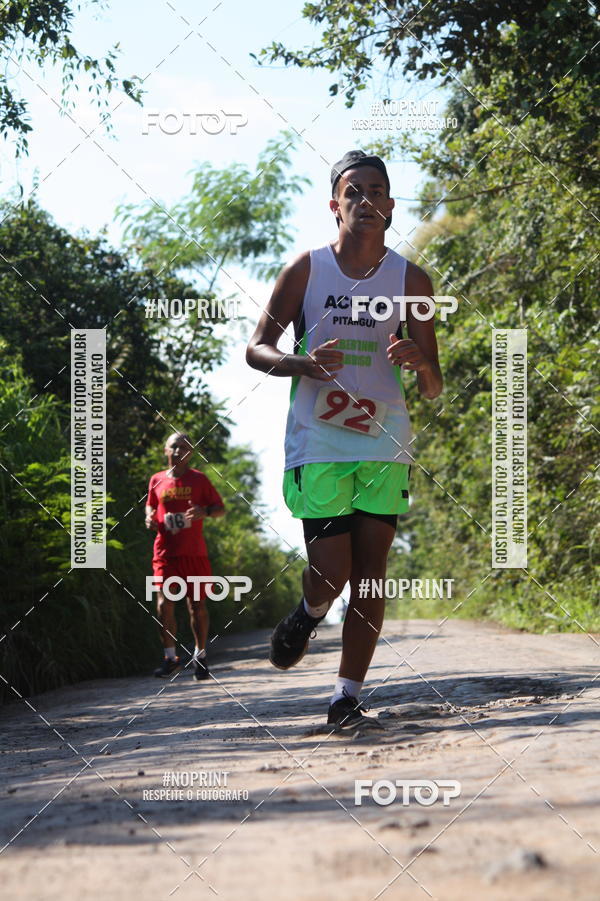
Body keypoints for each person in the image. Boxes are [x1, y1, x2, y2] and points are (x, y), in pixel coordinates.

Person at [246, 150, 443, 730]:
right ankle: (310, 611)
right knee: (330, 575)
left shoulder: (412, 280)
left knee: (371, 569)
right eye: (353, 192)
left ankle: (345, 695)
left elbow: (433, 385)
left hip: (384, 441)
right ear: (335, 205)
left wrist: (418, 362)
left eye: (376, 191)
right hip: (319, 439)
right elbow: (257, 348)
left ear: (390, 206)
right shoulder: (307, 270)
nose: (365, 200)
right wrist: (302, 364)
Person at [145, 432, 225, 680]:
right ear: (165, 450)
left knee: (196, 606)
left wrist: (204, 512)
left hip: (194, 554)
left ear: (191, 453)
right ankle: (171, 659)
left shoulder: (199, 480)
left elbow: (219, 509)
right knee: (163, 605)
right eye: (175, 446)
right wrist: (148, 516)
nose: (179, 451)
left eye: (185, 448)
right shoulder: (156, 480)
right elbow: (150, 504)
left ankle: (200, 657)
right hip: (165, 554)